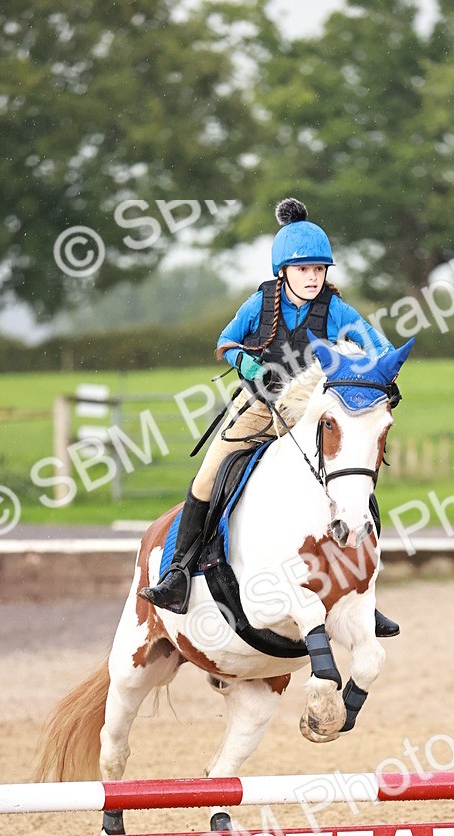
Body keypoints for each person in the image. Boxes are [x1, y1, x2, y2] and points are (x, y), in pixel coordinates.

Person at [139, 197, 401, 637]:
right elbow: (226, 342)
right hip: (260, 408)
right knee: (207, 477)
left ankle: (363, 594)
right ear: (283, 271)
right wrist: (247, 364)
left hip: (310, 414)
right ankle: (178, 573)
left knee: (354, 487)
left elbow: (380, 348)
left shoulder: (336, 310)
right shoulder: (260, 303)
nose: (313, 277)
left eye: (319, 269)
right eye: (304, 269)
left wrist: (376, 375)